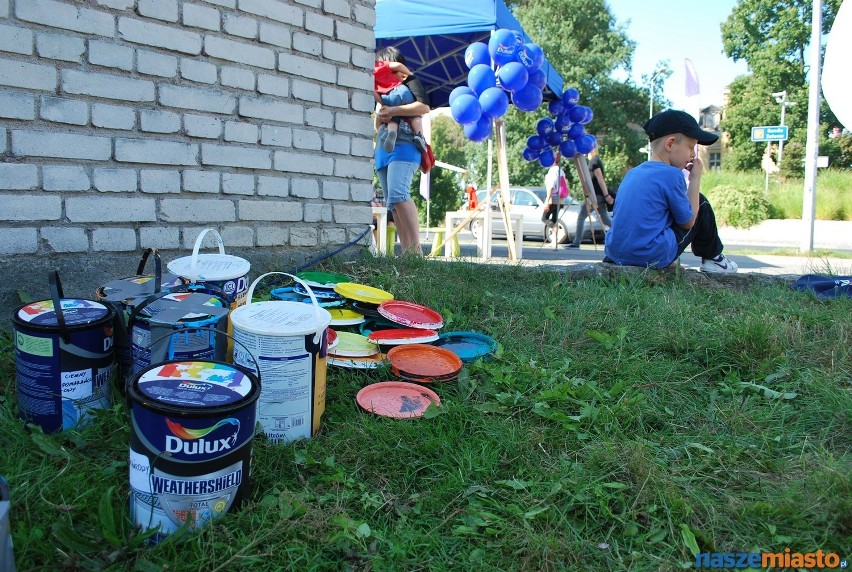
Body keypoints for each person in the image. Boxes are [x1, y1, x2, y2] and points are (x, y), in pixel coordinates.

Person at [604, 109, 738, 273]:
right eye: (690, 147)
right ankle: (714, 259)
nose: (692, 155)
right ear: (670, 144)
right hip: (649, 255)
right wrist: (695, 178)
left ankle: (654, 258)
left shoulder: (633, 173)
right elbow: (688, 222)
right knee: (700, 202)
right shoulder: (672, 174)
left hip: (615, 253)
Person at [374, 46, 430, 255]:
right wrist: (382, 116)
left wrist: (394, 110)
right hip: (383, 146)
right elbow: (378, 122)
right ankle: (407, 252)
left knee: (399, 193)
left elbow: (424, 108)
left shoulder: (410, 81)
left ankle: (416, 251)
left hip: (406, 143)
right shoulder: (379, 89)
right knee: (392, 202)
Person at [374, 54, 427, 153]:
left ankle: (392, 133)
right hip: (401, 90)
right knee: (416, 116)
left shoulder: (370, 75)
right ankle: (419, 135)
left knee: (392, 119)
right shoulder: (380, 65)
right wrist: (409, 74)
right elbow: (398, 65)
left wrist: (383, 104)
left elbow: (374, 93)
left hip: (387, 97)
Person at [566, 147, 613, 248]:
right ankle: (621, 234)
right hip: (598, 196)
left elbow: (600, 179)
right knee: (605, 219)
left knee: (581, 217)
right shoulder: (595, 161)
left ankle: (576, 242)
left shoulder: (594, 161)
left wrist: (607, 195)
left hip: (595, 196)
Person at [542, 154, 565, 241]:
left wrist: (547, 201)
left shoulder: (553, 171)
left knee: (545, 218)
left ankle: (556, 233)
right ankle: (555, 240)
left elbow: (551, 187)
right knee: (554, 219)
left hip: (553, 198)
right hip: (561, 199)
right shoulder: (561, 171)